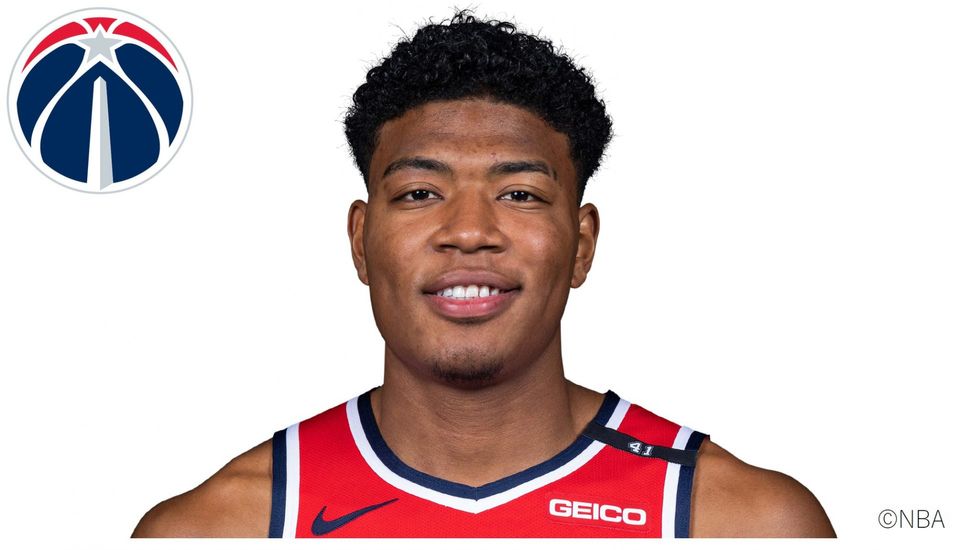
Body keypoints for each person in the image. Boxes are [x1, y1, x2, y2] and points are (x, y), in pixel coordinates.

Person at [133, 11, 835, 538]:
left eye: (519, 194)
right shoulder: (223, 528)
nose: (469, 231)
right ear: (360, 241)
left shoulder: (739, 523)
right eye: (420, 193)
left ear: (582, 244)